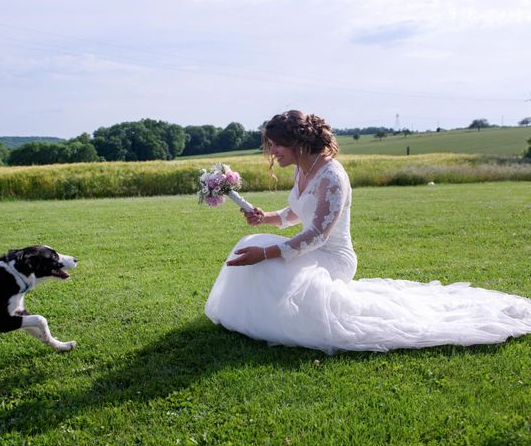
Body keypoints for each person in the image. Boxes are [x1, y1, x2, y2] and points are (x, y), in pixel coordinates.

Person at [204, 110, 531, 354]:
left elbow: (318, 233)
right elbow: (294, 212)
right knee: (252, 241)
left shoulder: (332, 177)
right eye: (271, 145)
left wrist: (267, 253)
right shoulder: (305, 169)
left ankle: (272, 319)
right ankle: (260, 319)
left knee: (264, 256)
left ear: (299, 143)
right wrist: (265, 219)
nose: (273, 151)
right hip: (309, 249)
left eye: (277, 145)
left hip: (332, 258)